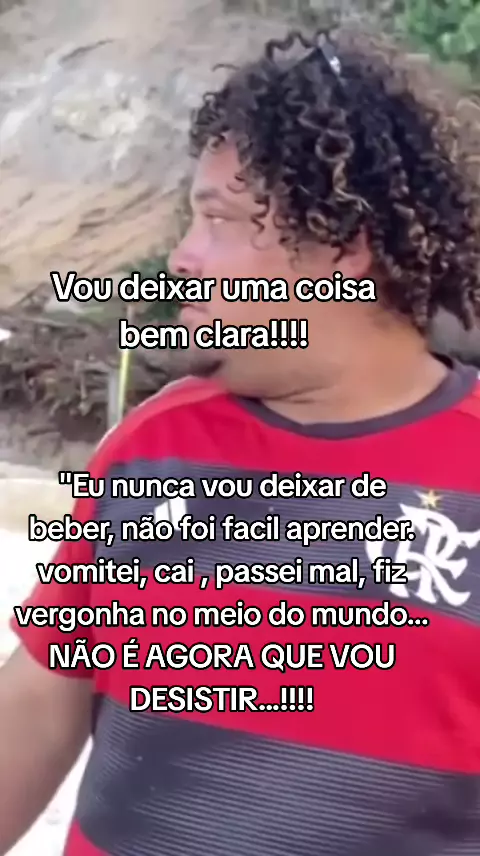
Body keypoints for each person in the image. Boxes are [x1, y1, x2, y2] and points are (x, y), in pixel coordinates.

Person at [1, 24, 480, 856]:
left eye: (217, 220)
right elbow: (43, 699)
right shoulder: (156, 444)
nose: (182, 258)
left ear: (343, 247)